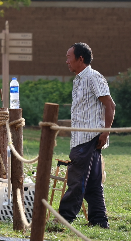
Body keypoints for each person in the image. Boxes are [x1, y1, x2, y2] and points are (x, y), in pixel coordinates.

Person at [58, 42, 115, 228]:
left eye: (69, 57)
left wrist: (105, 133)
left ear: (80, 59)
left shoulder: (93, 77)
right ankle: (99, 222)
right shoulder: (78, 79)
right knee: (92, 184)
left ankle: (64, 220)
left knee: (76, 182)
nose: (67, 61)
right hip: (80, 139)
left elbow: (110, 105)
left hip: (89, 139)